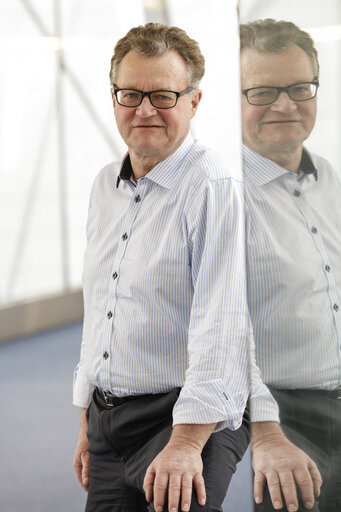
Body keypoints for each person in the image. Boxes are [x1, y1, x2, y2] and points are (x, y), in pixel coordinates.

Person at [73, 22, 251, 512]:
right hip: (111, 421)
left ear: (194, 102)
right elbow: (102, 308)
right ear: (113, 98)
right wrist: (88, 419)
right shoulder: (104, 185)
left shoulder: (212, 187)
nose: (145, 109)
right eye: (131, 94)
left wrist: (188, 443)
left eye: (163, 95)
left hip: (187, 417)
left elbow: (223, 324)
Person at [240, 18, 341, 512]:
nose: (284, 104)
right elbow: (215, 333)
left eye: (299, 87)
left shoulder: (331, 179)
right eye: (261, 91)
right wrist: (266, 431)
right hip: (287, 413)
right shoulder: (221, 197)